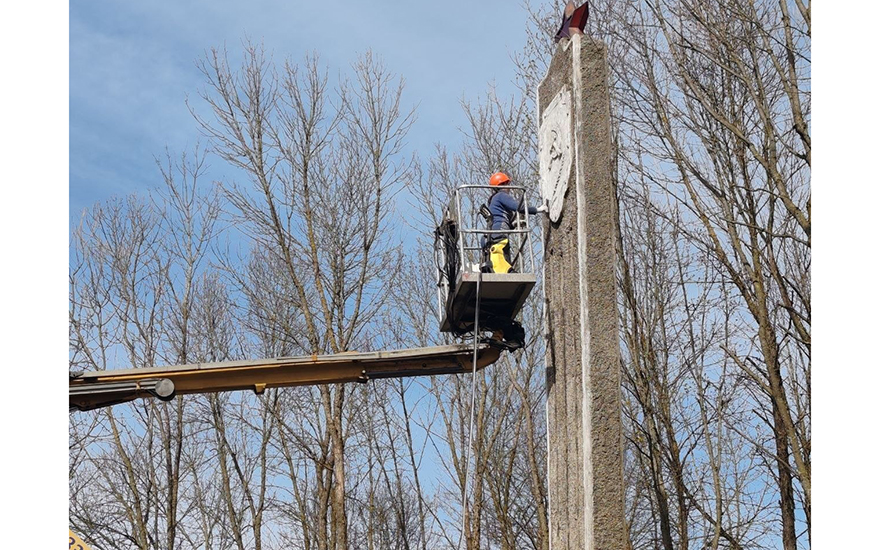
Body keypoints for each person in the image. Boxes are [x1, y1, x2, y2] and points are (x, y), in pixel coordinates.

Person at [483, 172, 547, 273]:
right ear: (502, 185)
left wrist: (513, 224)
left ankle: (507, 271)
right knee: (498, 255)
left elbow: (501, 216)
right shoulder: (501, 196)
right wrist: (537, 209)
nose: (509, 188)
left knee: (500, 256)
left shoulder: (494, 200)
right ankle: (509, 272)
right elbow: (519, 207)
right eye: (507, 184)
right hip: (499, 232)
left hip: (495, 232)